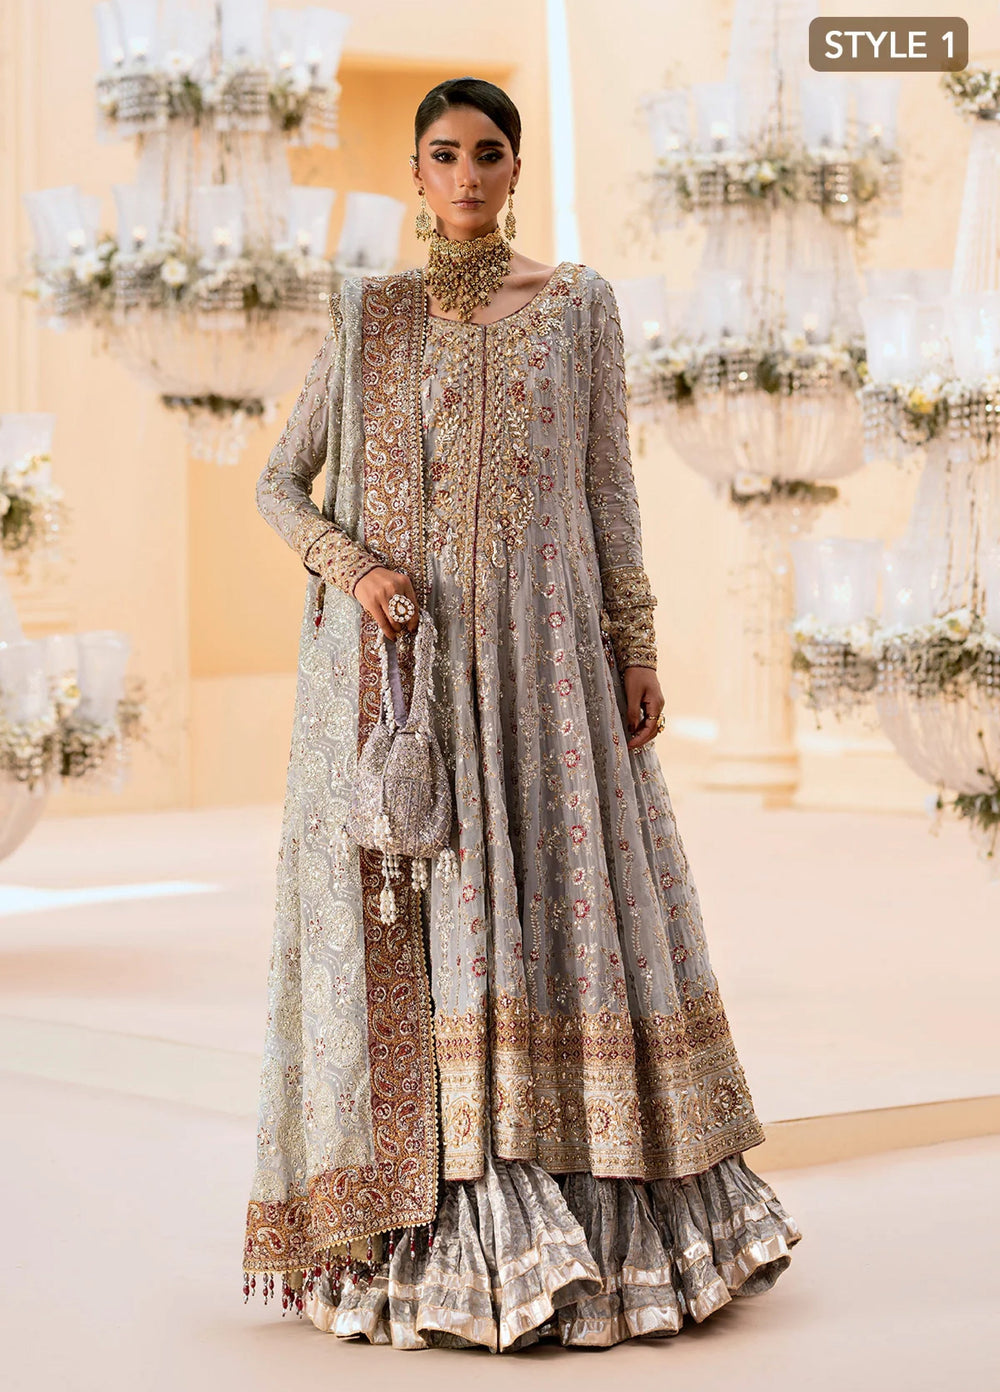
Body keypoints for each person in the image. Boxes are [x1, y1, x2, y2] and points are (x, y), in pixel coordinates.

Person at [243, 75, 801, 1352]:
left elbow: (608, 488)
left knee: (563, 904)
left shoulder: (576, 305)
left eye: (488, 153)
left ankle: (596, 1208)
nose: (467, 175)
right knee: (435, 919)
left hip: (550, 674)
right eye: (443, 154)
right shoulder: (370, 313)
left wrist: (634, 642)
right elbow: (279, 485)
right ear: (416, 171)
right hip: (415, 674)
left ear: (514, 168)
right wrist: (358, 571)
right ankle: (438, 1216)